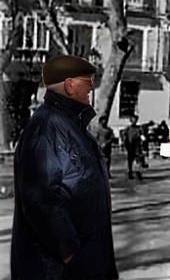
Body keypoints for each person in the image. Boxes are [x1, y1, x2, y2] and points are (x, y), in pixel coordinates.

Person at [11, 55, 118, 279]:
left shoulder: (73, 128)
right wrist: (69, 252)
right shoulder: (47, 127)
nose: (92, 86)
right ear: (69, 85)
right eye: (86, 80)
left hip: (84, 262)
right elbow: (40, 199)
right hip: (59, 269)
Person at [122, 115, 145, 180]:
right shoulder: (128, 129)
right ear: (130, 121)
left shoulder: (139, 128)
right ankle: (130, 172)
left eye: (135, 120)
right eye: (132, 120)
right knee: (130, 160)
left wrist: (143, 141)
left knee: (138, 160)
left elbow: (142, 136)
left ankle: (138, 172)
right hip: (130, 146)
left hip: (137, 146)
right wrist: (124, 144)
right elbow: (124, 136)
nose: (134, 121)